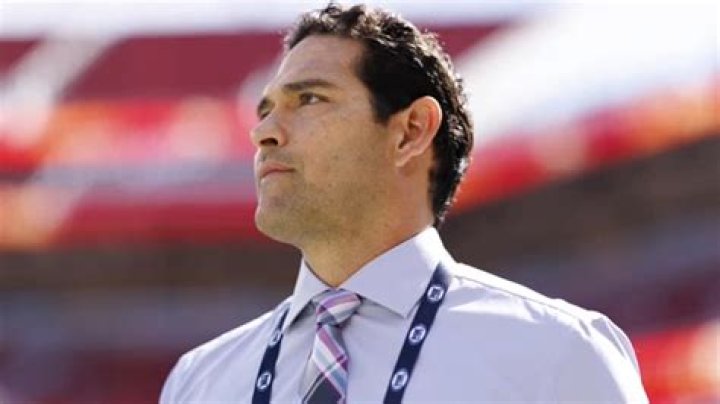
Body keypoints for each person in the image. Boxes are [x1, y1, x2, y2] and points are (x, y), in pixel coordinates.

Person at [160, 3, 648, 403]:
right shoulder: (199, 383)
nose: (263, 132)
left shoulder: (557, 354)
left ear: (411, 131)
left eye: (308, 99)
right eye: (265, 110)